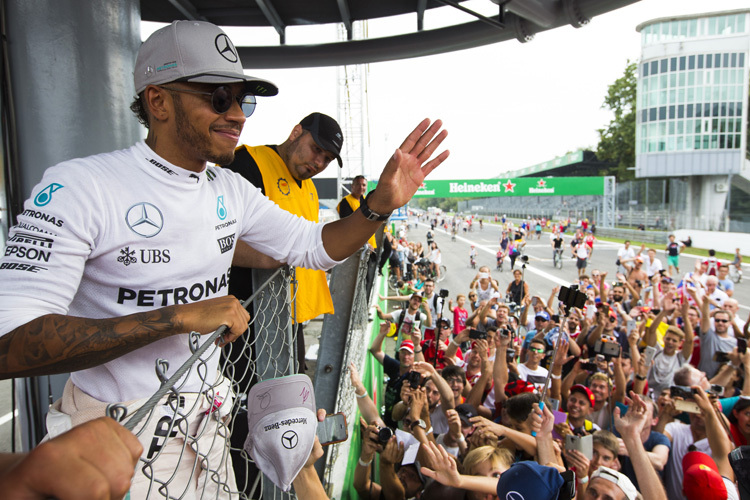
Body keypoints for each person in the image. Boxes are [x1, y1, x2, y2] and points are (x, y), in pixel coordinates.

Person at [0, 20, 448, 496]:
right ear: (158, 101)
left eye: (242, 100)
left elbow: (314, 246)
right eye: (218, 98)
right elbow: (9, 341)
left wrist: (380, 203)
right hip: (112, 441)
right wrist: (178, 318)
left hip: (207, 430)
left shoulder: (229, 188)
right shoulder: (80, 186)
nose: (237, 115)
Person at [223, 112, 344, 376]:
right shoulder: (247, 164)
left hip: (289, 317)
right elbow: (214, 239)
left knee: (292, 395)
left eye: (328, 159)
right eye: (316, 150)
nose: (319, 162)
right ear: (296, 132)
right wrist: (273, 256)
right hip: (245, 316)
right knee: (246, 402)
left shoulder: (310, 188)